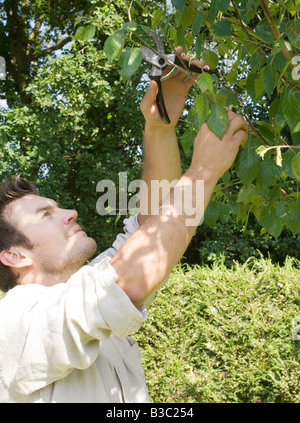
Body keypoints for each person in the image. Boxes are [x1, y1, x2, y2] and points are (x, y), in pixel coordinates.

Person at [0, 48, 248, 403]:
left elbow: (150, 233)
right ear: (13, 255)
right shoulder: (13, 320)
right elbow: (126, 280)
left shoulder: (77, 296)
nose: (69, 212)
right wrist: (203, 172)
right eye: (45, 214)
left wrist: (159, 128)